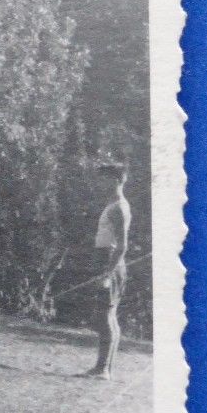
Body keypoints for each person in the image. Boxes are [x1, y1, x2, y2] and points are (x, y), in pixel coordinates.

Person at [86, 162, 132, 380]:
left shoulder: (119, 208)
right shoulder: (113, 205)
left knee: (105, 317)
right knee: (107, 316)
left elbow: (122, 246)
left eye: (103, 179)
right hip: (105, 261)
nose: (99, 183)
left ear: (114, 180)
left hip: (110, 263)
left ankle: (103, 369)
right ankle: (104, 368)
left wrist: (107, 274)